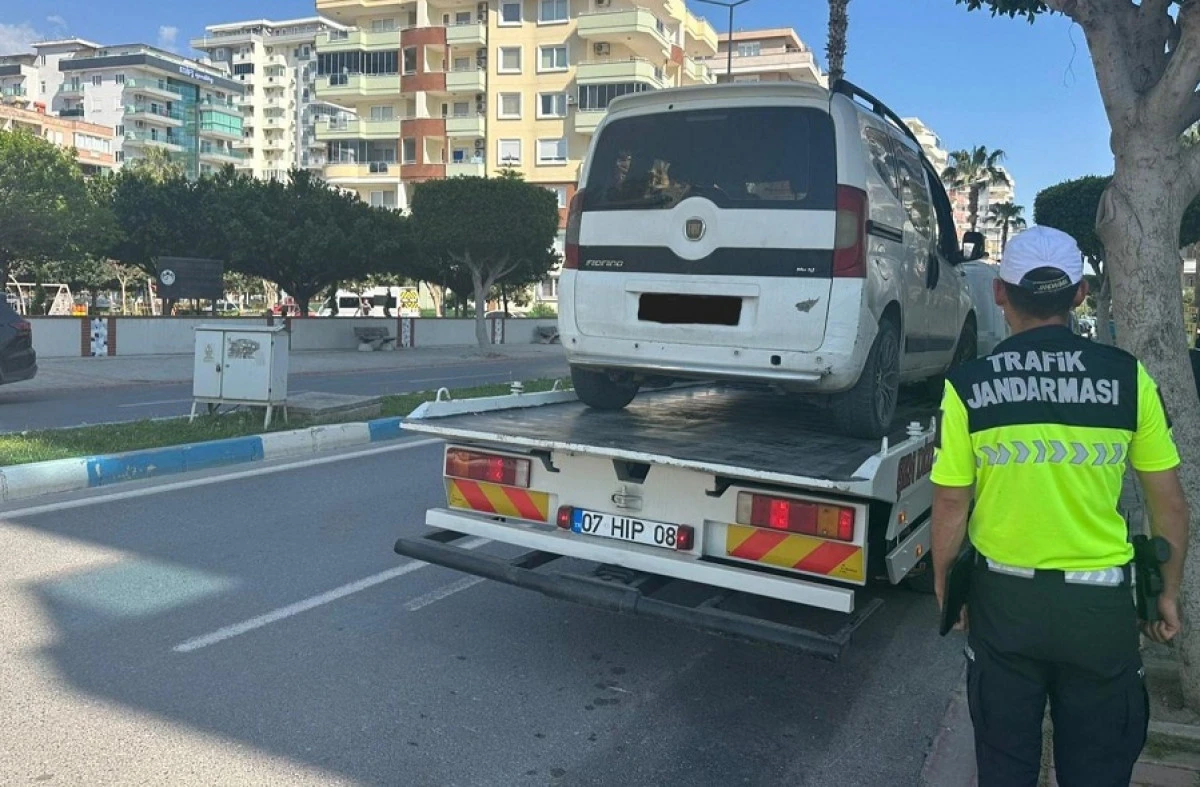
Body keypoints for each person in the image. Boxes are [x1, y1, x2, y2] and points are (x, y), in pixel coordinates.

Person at [930, 225, 1189, 786]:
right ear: (1080, 293)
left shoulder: (968, 387)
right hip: (1102, 614)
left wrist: (948, 587)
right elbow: (1167, 501)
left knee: (1004, 767)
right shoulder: (1129, 381)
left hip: (1005, 607)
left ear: (1000, 292)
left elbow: (951, 502)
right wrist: (1165, 592)